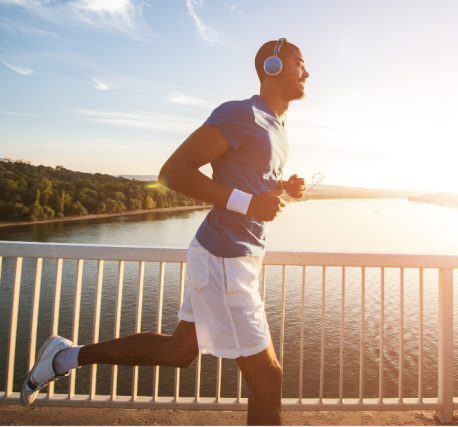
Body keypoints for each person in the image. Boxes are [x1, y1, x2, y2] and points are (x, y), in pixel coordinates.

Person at [21, 38, 310, 427]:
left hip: (235, 256)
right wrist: (247, 203)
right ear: (272, 67)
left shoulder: (278, 128)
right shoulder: (241, 114)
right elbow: (173, 172)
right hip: (225, 259)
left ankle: (64, 357)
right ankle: (63, 357)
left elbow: (250, 188)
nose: (306, 72)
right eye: (299, 63)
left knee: (178, 353)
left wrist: (281, 190)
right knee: (268, 377)